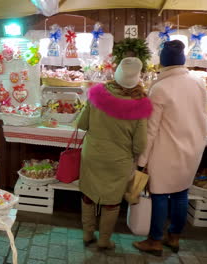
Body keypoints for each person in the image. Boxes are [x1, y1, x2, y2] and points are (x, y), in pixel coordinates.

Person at [133, 40, 207, 256]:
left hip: (166, 151)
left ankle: (155, 240)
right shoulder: (198, 82)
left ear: (163, 62)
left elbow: (151, 130)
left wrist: (142, 162)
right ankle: (174, 237)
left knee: (159, 194)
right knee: (181, 194)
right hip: (192, 148)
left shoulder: (160, 88)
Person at [76, 57, 153, 250]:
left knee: (88, 194)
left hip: (92, 154)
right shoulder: (140, 103)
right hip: (119, 160)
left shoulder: (98, 94)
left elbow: (81, 124)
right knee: (112, 201)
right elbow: (140, 144)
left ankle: (87, 234)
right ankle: (104, 240)